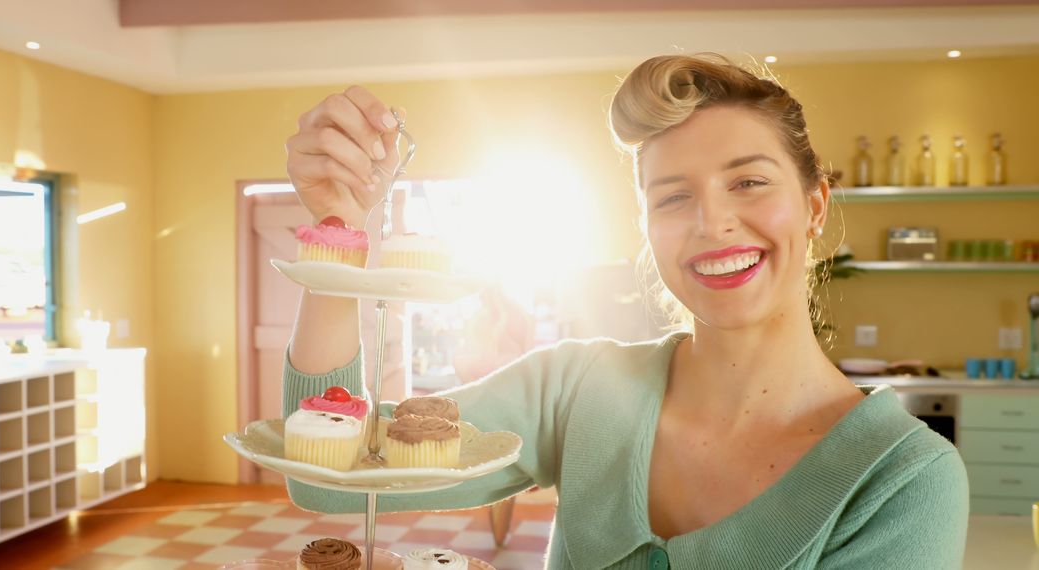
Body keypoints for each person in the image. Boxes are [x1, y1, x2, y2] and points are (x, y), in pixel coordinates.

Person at [281, 53, 968, 569]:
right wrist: (339, 230)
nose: (712, 221)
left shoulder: (902, 483)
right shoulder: (576, 390)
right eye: (672, 197)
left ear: (815, 205)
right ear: (647, 228)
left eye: (749, 181)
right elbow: (332, 483)